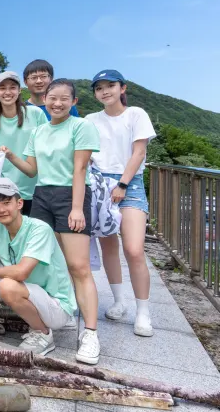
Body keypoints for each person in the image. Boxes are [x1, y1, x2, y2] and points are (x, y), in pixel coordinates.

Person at [0, 79, 103, 365]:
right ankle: (49, 327)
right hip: (42, 195)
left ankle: (91, 333)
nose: (57, 103)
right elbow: (32, 171)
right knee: (48, 263)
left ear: (74, 101)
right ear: (43, 99)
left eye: (63, 99)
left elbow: (80, 168)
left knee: (78, 266)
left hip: (71, 194)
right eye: (52, 98)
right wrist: (10, 156)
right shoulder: (39, 131)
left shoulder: (80, 127)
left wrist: (77, 208)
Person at [86, 69, 157, 338]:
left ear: (122, 88)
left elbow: (139, 152)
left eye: (110, 86)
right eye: (99, 88)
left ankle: (143, 312)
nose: (105, 91)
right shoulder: (91, 119)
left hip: (131, 184)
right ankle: (118, 301)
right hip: (100, 182)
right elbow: (87, 152)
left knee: (134, 249)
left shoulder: (136, 114)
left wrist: (123, 185)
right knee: (108, 246)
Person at [0, 178, 77, 356]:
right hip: (31, 291)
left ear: (19, 203)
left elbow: (21, 272)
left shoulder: (39, 229)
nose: (1, 209)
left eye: (7, 203)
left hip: (56, 305)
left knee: (7, 285)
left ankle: (42, 334)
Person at [0, 71, 47, 215]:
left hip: (37, 190)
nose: (7, 92)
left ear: (19, 90)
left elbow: (47, 149)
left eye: (12, 87)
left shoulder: (36, 114)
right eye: (2, 88)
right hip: (7, 194)